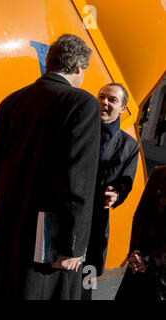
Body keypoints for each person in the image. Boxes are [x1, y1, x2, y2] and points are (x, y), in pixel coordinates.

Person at [0, 34, 100, 300]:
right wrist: (73, 245)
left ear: (49, 61)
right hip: (49, 239)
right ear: (79, 67)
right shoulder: (82, 103)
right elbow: (78, 182)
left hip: (7, 226)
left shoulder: (12, 101)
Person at [82, 83, 140, 300]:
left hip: (95, 224)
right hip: (62, 218)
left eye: (112, 100)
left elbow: (126, 182)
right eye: (101, 97)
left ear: (123, 108)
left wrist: (116, 195)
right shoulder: (77, 130)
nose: (104, 102)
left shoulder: (129, 146)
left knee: (83, 285)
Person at [115, 165, 166, 300]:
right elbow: (139, 216)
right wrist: (136, 252)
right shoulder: (158, 172)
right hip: (138, 265)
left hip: (160, 272)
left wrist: (150, 261)